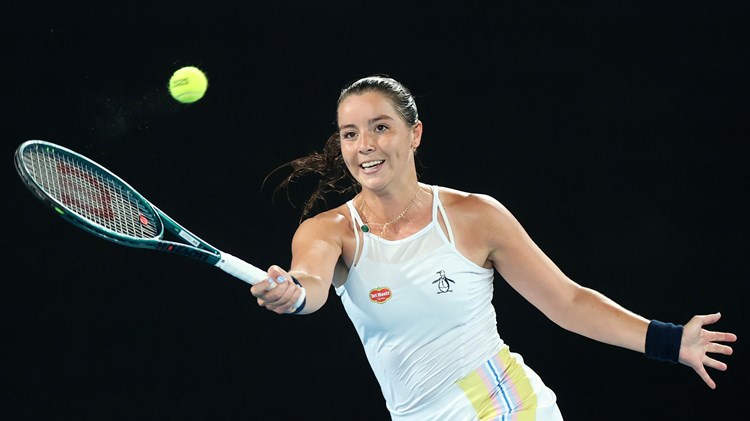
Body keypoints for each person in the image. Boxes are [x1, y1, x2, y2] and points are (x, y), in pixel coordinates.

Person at [250, 75, 736, 420]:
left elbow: (566, 301)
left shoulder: (474, 216)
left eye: (381, 127)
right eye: (350, 134)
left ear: (414, 134)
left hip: (504, 405)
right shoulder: (328, 230)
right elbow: (310, 284)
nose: (364, 145)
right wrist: (291, 294)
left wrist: (670, 340)